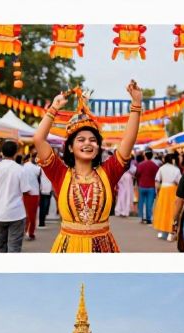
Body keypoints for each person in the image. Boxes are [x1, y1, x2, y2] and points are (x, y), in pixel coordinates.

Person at [32, 82, 143, 252]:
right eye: (81, 140)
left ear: (98, 146)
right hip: (69, 248)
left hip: (103, 247)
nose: (87, 143)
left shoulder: (108, 171)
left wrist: (136, 104)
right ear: (70, 147)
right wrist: (53, 109)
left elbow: (128, 141)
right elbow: (39, 139)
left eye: (93, 140)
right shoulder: (59, 173)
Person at [152, 152, 182, 238]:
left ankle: (161, 231)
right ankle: (170, 231)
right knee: (172, 210)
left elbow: (157, 181)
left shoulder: (161, 168)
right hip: (173, 190)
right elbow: (180, 181)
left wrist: (157, 192)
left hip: (163, 190)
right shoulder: (176, 169)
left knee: (162, 210)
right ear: (172, 160)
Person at [22, 152, 43, 239]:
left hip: (25, 192)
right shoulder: (38, 169)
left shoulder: (25, 165)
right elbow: (39, 180)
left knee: (26, 213)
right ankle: (30, 232)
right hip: (34, 193)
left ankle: (26, 230)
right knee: (32, 214)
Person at [135, 149, 159, 224]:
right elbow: (157, 177)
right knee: (149, 203)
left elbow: (137, 174)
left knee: (141, 203)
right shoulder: (155, 166)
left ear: (145, 156)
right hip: (151, 187)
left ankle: (142, 218)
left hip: (142, 186)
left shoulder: (141, 164)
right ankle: (149, 219)